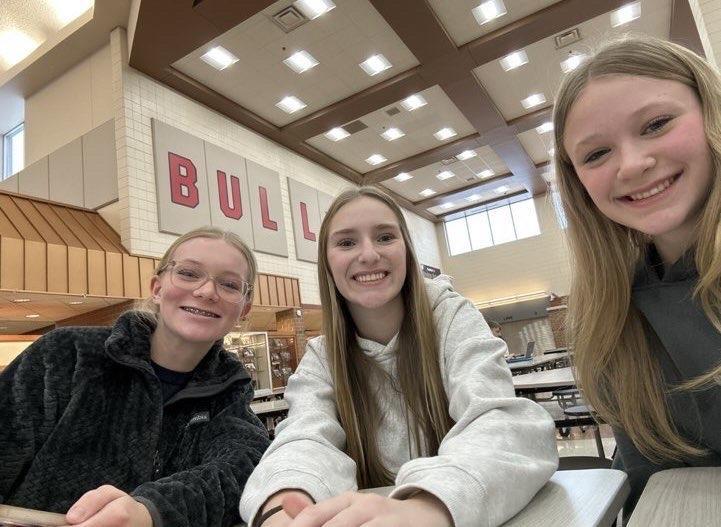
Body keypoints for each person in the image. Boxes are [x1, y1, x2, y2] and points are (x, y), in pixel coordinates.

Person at [240, 187, 558, 527]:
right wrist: (283, 503)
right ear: (327, 264)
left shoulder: (450, 317)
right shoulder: (322, 357)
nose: (368, 254)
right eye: (346, 242)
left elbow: (500, 424)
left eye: (385, 237)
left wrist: (430, 506)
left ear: (407, 250)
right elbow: (304, 438)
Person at [0, 227, 270, 527]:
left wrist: (152, 509)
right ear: (157, 288)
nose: (207, 291)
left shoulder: (230, 395)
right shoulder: (66, 354)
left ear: (244, 309)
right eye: (189, 273)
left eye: (229, 284)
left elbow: (241, 470)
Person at [552, 36, 721, 511]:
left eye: (657, 124)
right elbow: (649, 484)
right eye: (596, 154)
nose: (632, 165)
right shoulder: (613, 312)